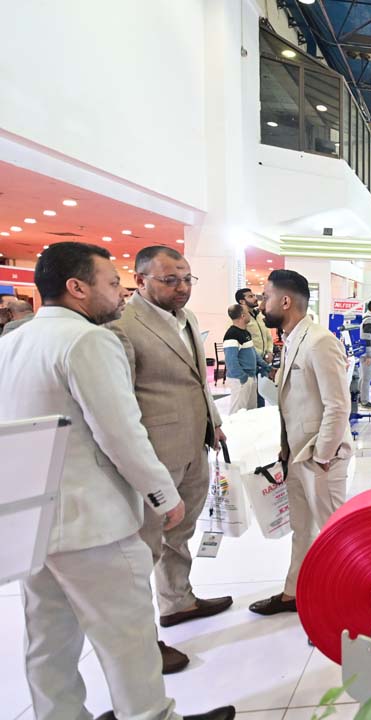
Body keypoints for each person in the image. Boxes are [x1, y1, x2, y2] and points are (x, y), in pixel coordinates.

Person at [0, 242, 234, 720]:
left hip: (37, 522)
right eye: (112, 283)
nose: (120, 293)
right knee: (128, 637)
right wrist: (162, 495)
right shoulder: (89, 341)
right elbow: (120, 431)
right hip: (94, 523)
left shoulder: (15, 341)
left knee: (48, 638)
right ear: (77, 287)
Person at [110, 246, 231, 673]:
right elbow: (119, 400)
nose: (181, 288)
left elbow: (198, 380)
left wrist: (214, 422)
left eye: (186, 279)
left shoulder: (188, 319)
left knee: (182, 531)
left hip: (195, 443)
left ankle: (178, 600)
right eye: (170, 280)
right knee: (144, 546)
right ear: (140, 280)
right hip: (156, 453)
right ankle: (141, 644)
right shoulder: (123, 326)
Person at [250, 270, 352, 616]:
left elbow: (338, 405)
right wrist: (286, 448)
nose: (261, 304)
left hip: (320, 458)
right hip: (296, 454)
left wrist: (323, 455)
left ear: (285, 301)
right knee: (302, 529)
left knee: (335, 532)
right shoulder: (293, 339)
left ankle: (347, 601)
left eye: (265, 297)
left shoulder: (320, 341)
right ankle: (294, 593)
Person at [223, 304, 267, 415]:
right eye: (247, 313)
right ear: (243, 316)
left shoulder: (246, 333)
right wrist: (243, 378)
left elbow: (253, 353)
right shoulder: (231, 334)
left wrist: (265, 365)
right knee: (237, 412)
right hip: (241, 379)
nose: (250, 315)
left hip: (251, 377)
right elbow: (231, 362)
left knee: (251, 411)